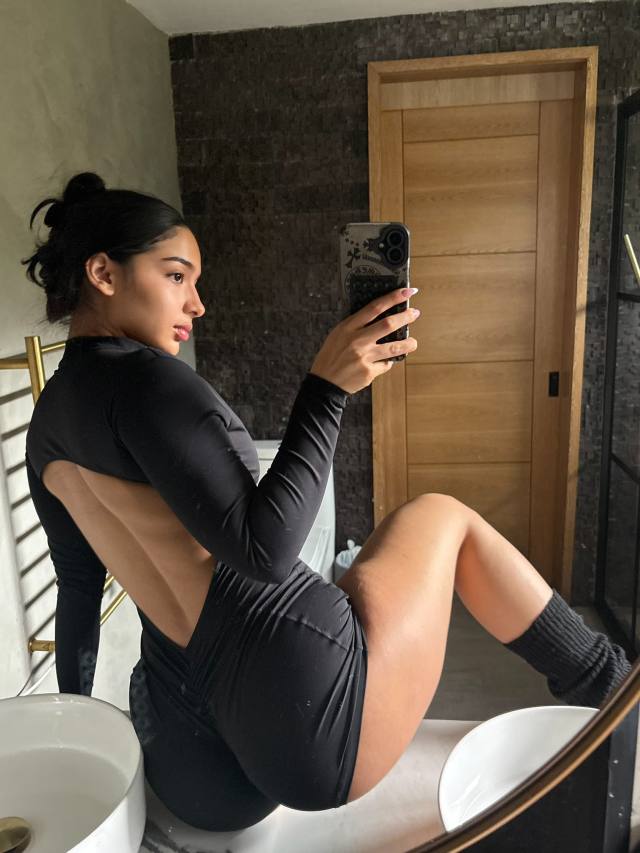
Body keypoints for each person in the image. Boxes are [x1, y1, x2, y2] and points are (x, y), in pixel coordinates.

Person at [21, 171, 632, 832]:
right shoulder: (151, 384)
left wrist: (80, 729)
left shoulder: (46, 424)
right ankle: (615, 689)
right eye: (176, 276)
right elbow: (263, 550)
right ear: (103, 274)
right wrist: (327, 388)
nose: (197, 304)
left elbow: (77, 593)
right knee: (441, 517)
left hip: (191, 760)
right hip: (308, 723)